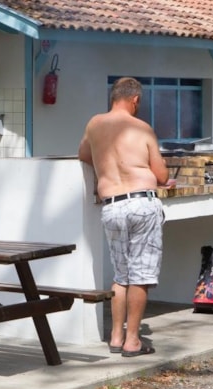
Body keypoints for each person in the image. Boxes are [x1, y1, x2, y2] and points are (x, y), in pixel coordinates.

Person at [78, 77, 171, 357]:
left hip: (113, 205)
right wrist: (161, 173)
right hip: (141, 203)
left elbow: (84, 155)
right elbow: (162, 175)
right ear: (135, 100)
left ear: (112, 97)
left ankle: (116, 337)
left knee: (121, 275)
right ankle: (133, 340)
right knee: (140, 275)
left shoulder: (95, 124)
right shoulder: (142, 128)